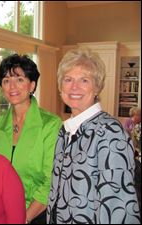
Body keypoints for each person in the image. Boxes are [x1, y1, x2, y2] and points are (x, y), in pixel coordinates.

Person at [47, 48, 141, 224]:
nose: (74, 87)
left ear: (97, 87)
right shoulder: (65, 131)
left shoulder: (109, 132)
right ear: (60, 87)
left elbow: (117, 207)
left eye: (84, 80)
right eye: (68, 79)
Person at [0, 54, 62, 224]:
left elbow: (51, 181)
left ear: (32, 85)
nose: (12, 86)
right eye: (6, 80)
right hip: (0, 212)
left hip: (36, 214)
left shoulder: (50, 124)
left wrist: (24, 218)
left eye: (19, 79)